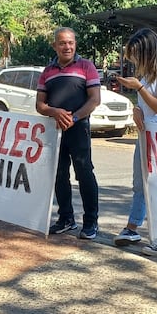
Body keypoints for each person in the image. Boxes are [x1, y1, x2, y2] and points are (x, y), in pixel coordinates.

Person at [113, 28, 157, 256]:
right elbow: (146, 106)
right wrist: (136, 109)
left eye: (136, 55)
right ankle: (133, 227)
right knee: (140, 183)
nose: (134, 61)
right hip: (145, 133)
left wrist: (138, 88)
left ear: (147, 51)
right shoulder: (146, 75)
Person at [35, 27, 101, 240]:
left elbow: (95, 99)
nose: (67, 46)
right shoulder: (47, 72)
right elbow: (40, 104)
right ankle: (66, 219)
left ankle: (91, 222)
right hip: (54, 132)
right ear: (55, 45)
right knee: (59, 174)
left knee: (84, 173)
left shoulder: (86, 66)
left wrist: (74, 118)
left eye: (71, 42)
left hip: (78, 129)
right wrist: (54, 112)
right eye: (62, 43)